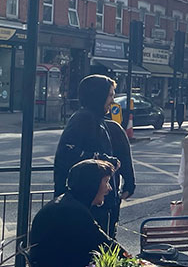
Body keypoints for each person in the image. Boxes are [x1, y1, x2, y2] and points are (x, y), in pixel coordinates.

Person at [54, 75, 121, 235]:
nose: (113, 100)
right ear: (98, 95)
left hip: (93, 201)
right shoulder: (83, 118)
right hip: (87, 204)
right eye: (110, 95)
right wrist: (103, 159)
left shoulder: (94, 118)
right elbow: (68, 153)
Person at [29, 159, 127, 267]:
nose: (109, 188)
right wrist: (133, 261)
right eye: (106, 181)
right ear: (92, 184)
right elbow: (105, 244)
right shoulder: (73, 212)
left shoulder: (68, 203)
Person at [103, 117, 136, 237]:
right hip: (108, 196)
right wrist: (129, 185)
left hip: (103, 194)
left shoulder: (76, 124)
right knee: (108, 235)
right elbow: (125, 161)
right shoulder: (113, 128)